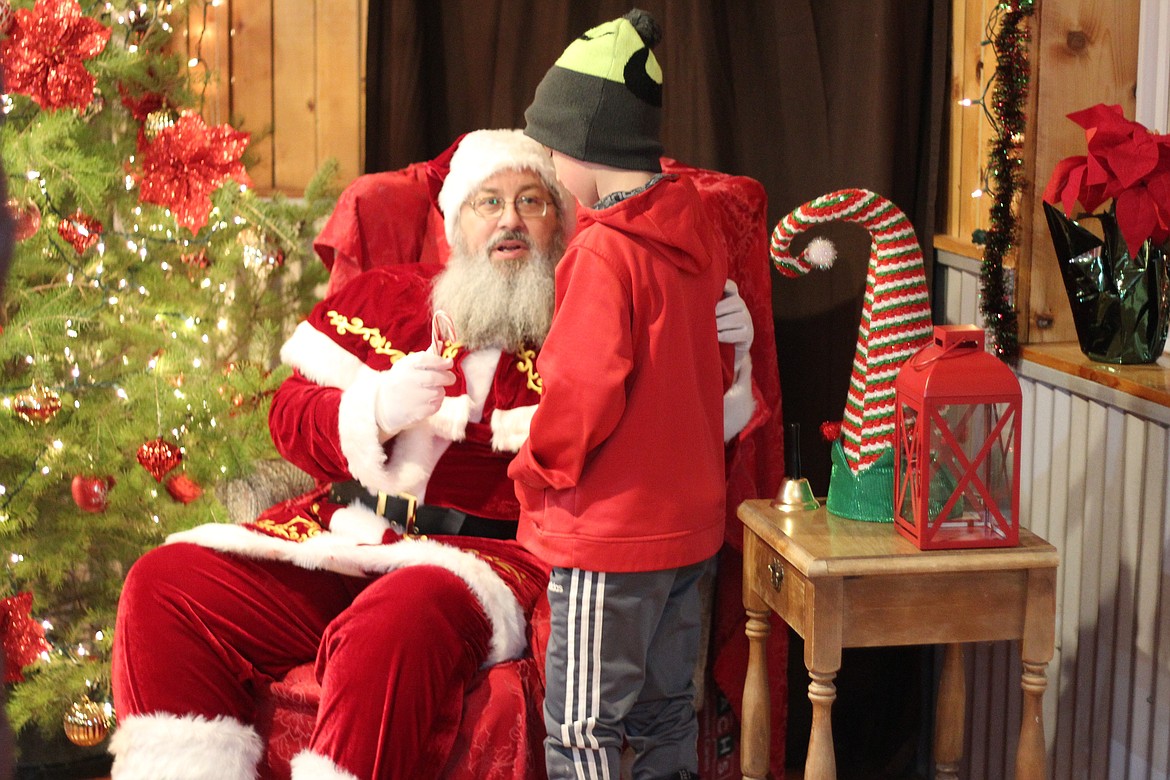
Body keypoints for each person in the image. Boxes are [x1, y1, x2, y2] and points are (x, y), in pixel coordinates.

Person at [109, 128, 755, 780]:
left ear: (560, 224)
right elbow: (287, 415)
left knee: (395, 617)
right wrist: (373, 410)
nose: (510, 219)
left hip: (490, 558)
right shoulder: (386, 298)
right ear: (453, 224)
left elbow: (672, 437)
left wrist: (724, 360)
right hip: (348, 532)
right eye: (488, 202)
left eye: (532, 201)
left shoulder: (600, 309)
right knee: (164, 585)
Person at [508, 10, 735, 780]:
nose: (544, 166)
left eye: (547, 149)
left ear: (584, 145)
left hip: (613, 536)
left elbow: (581, 390)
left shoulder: (603, 251)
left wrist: (535, 463)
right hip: (688, 529)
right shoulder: (696, 229)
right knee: (670, 713)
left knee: (580, 728)